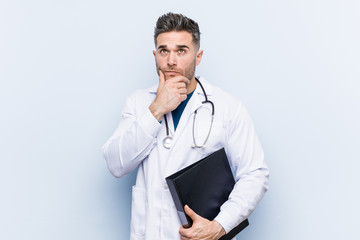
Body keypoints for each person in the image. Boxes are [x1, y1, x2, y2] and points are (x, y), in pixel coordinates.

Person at [103, 12, 269, 240]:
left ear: (198, 57)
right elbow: (115, 164)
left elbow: (255, 174)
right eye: (164, 51)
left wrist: (220, 226)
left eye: (181, 51)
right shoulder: (139, 102)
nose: (171, 60)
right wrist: (156, 110)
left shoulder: (228, 107)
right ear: (155, 55)